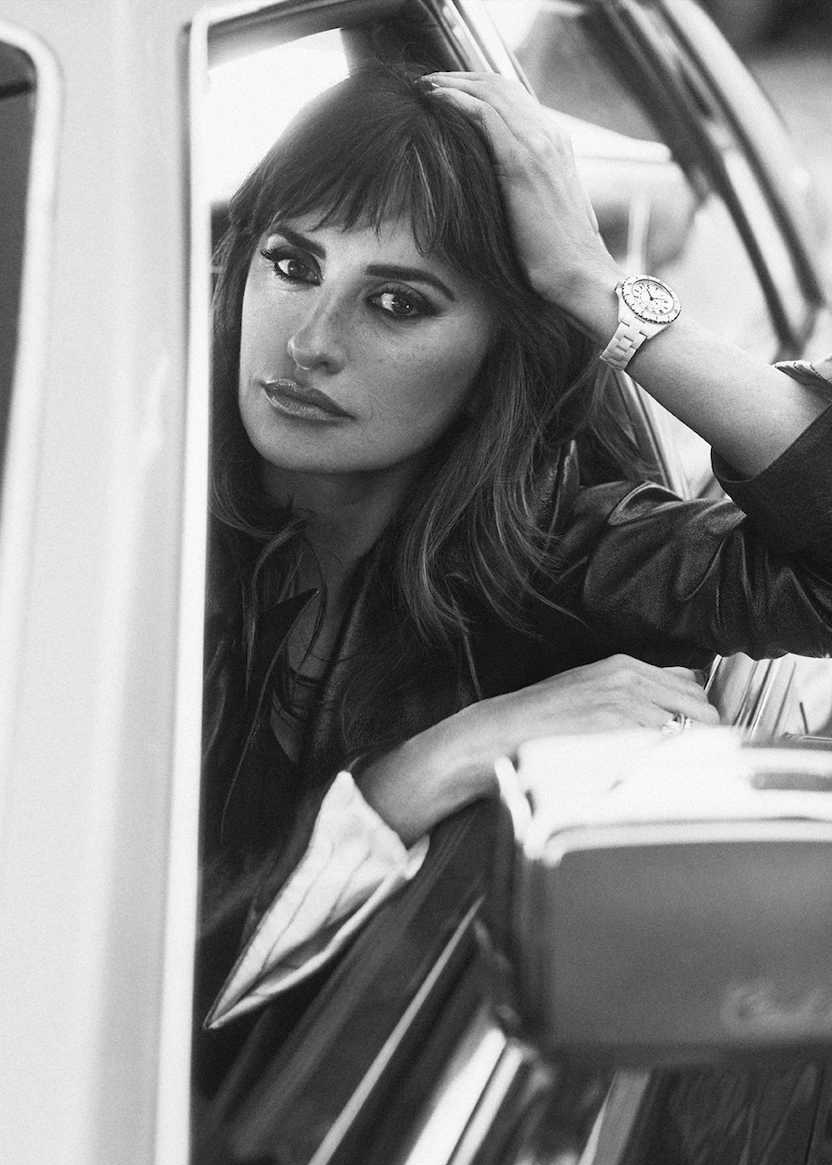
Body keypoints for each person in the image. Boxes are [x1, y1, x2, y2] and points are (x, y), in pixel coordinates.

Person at [197, 62, 832, 1081]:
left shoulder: (554, 561)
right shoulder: (127, 543)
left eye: (396, 302)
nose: (310, 343)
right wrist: (432, 767)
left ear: (500, 350)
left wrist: (596, 290)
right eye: (292, 262)